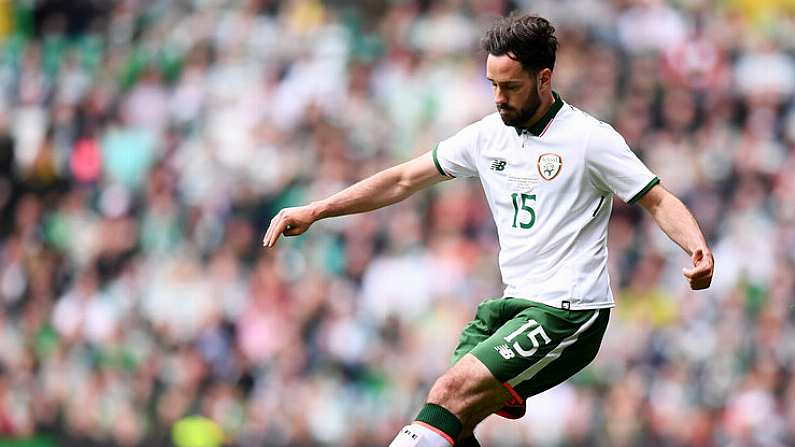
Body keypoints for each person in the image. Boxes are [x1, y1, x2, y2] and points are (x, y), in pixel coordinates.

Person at [263, 14, 714, 447]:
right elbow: (402, 179)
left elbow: (657, 199)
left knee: (450, 391)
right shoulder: (486, 136)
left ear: (544, 78)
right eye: (493, 85)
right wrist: (319, 209)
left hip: (569, 310)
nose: (499, 98)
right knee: (450, 420)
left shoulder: (589, 139)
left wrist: (697, 248)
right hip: (510, 306)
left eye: (511, 87)